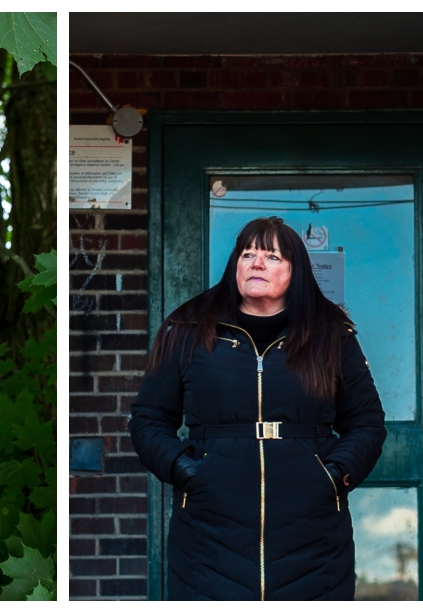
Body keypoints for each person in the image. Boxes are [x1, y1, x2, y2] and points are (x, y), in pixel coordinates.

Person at [129, 216, 386, 601]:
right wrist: (187, 471)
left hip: (311, 534)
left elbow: (366, 423)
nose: (257, 263)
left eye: (272, 256)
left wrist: (333, 476)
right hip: (209, 531)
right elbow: (148, 420)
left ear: (295, 272)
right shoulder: (188, 330)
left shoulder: (331, 335)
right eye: (247, 254)